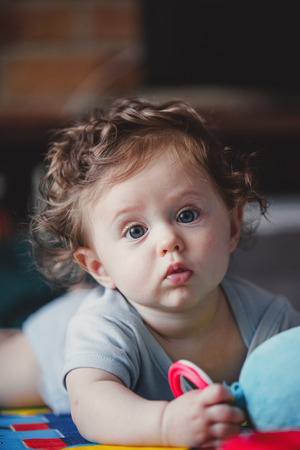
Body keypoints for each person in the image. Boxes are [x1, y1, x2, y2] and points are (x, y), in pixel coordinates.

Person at [1, 98, 300, 448]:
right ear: (100, 268)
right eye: (135, 231)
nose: (168, 240)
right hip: (57, 341)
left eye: (187, 215)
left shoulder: (268, 318)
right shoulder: (104, 327)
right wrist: (165, 424)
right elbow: (92, 406)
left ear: (233, 226)